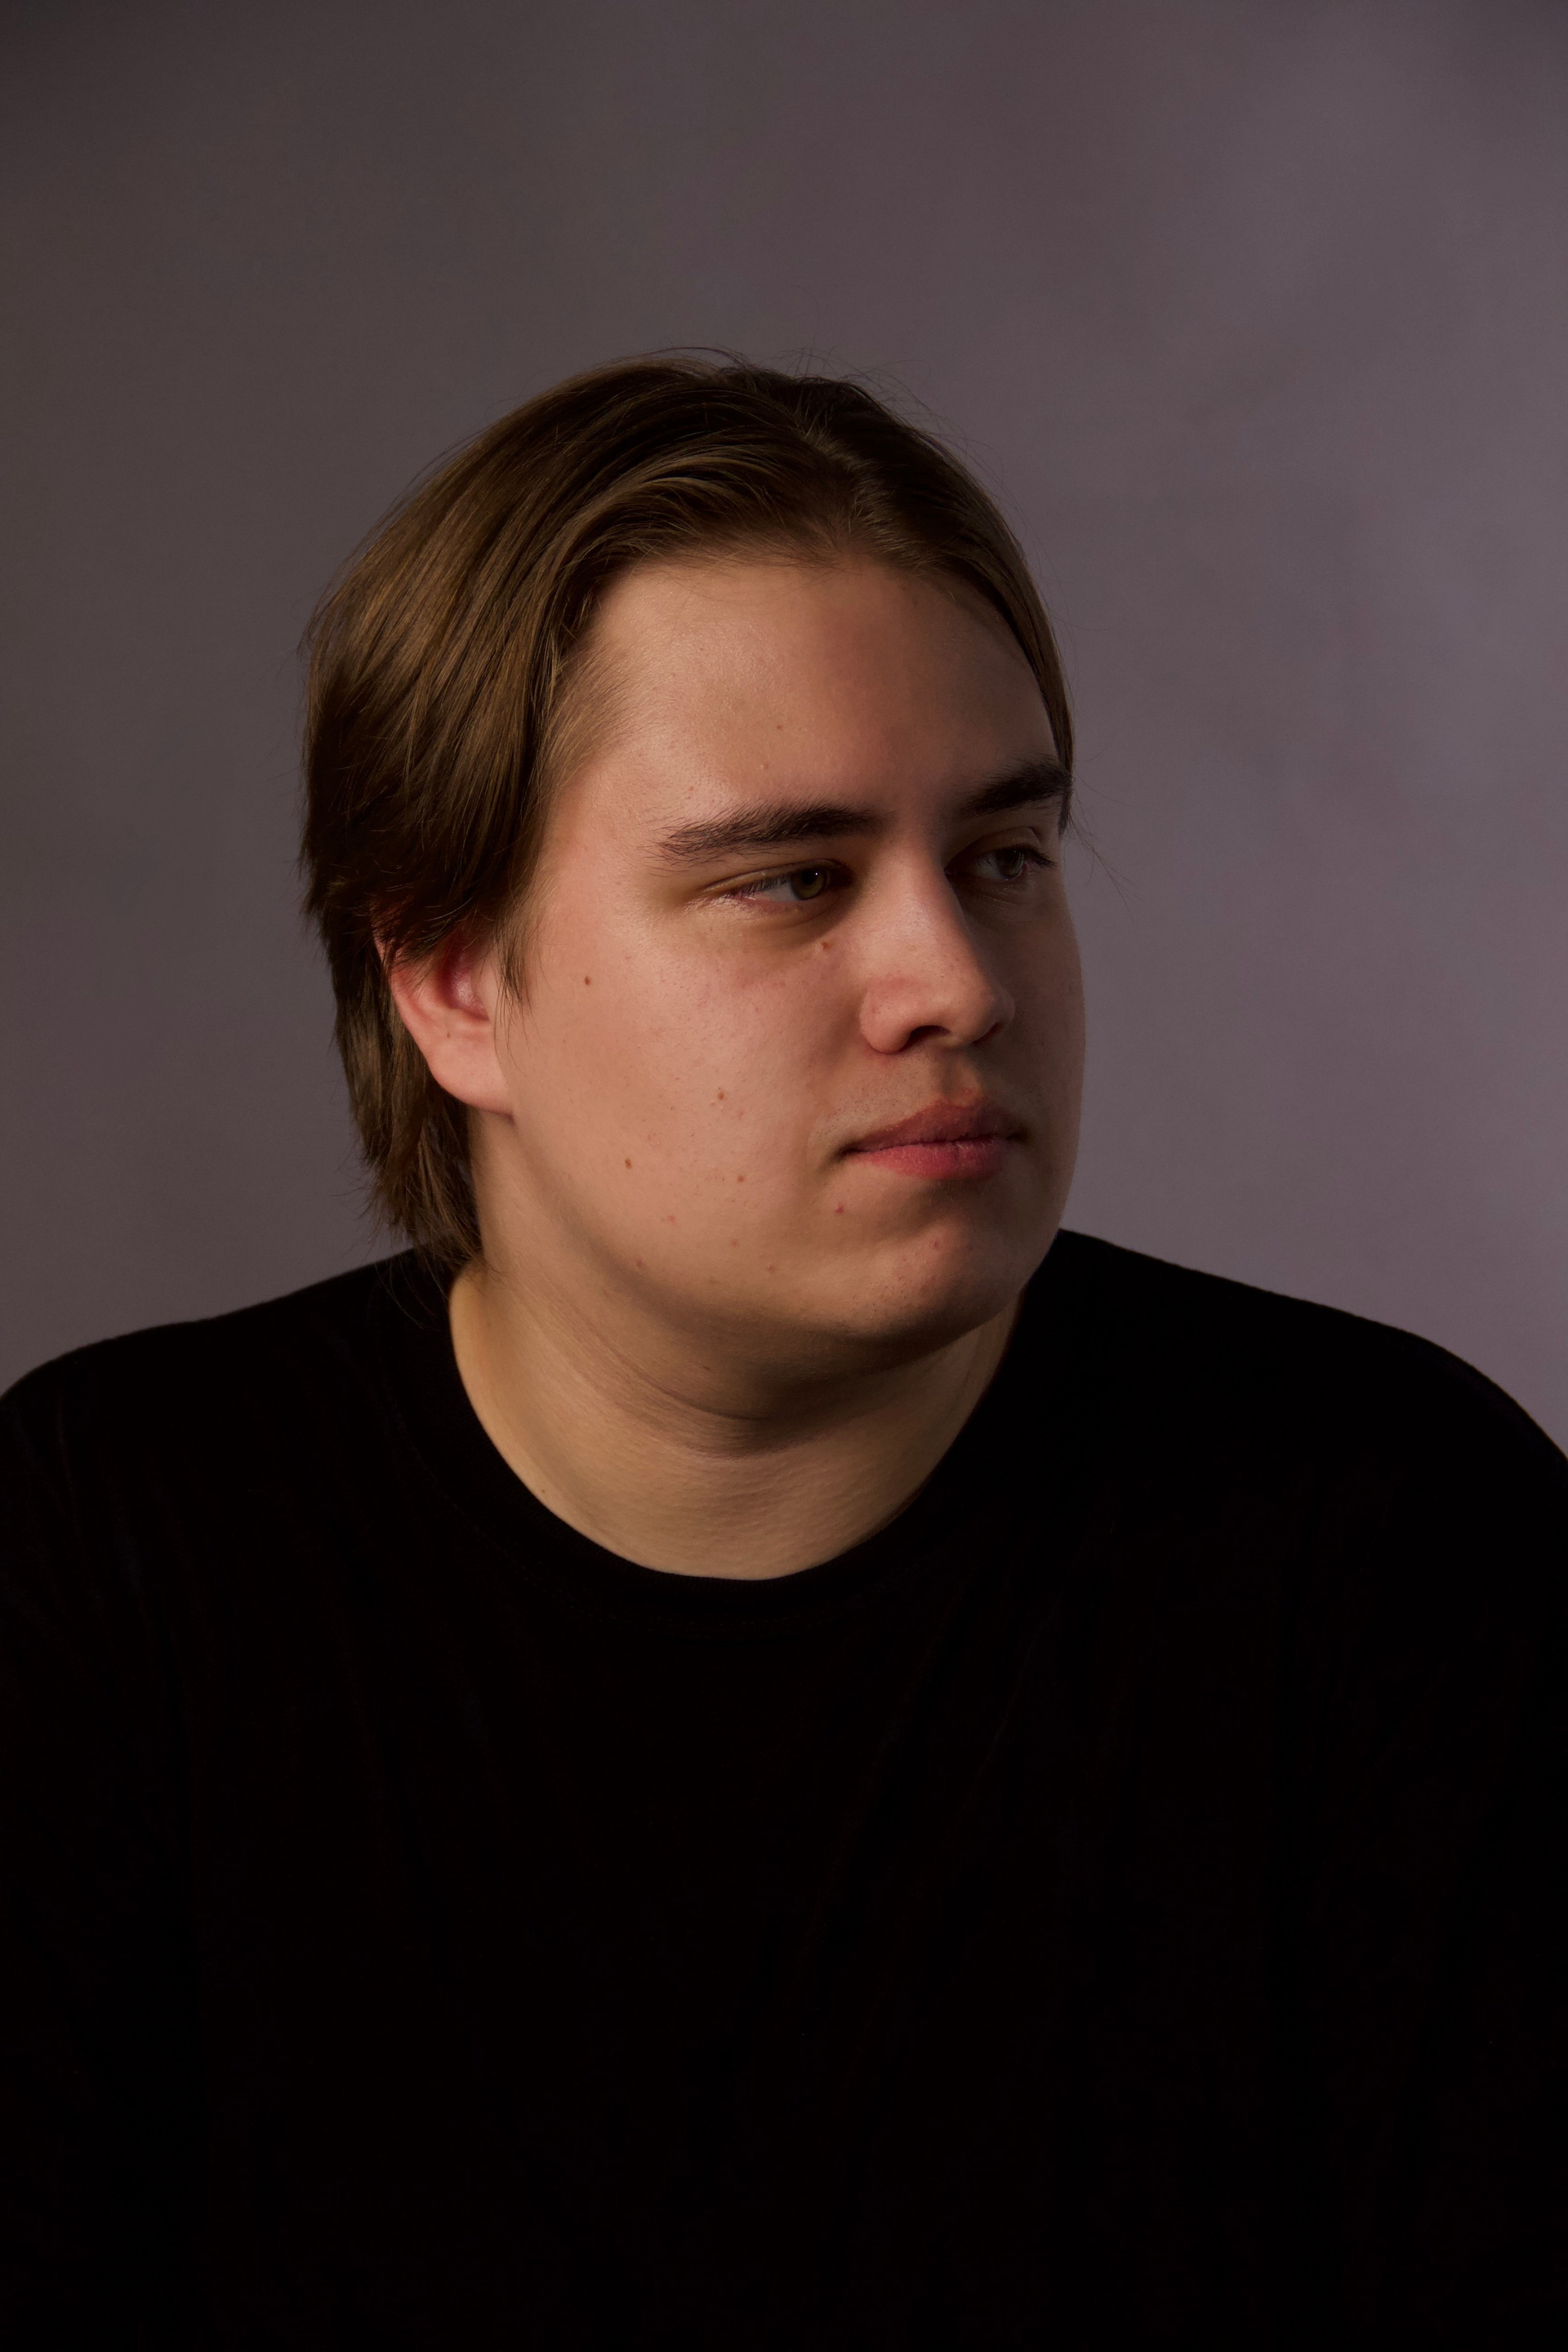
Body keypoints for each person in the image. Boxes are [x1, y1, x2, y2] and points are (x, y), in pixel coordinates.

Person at [1, 357, 1563, 2349]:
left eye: (1005, 857)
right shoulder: (109, 1557)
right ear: (450, 978)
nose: (956, 981)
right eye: (789, 880)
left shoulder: (1399, 1543)